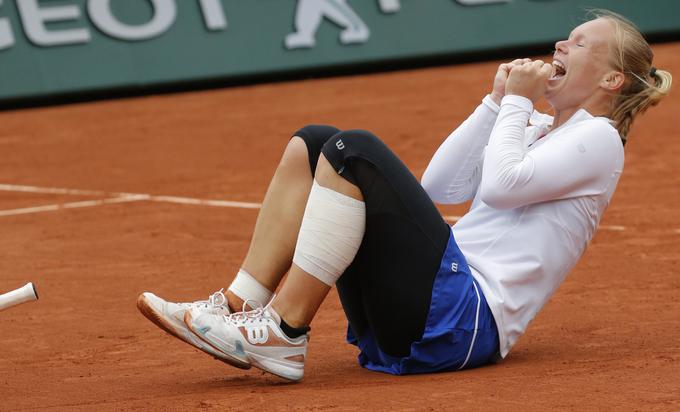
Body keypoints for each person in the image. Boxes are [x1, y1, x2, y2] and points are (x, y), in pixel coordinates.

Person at [137, 10, 672, 382]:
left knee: (356, 149)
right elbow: (440, 188)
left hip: (464, 323)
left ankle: (283, 330)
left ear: (612, 81)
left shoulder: (599, 139)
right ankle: (238, 305)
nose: (560, 45)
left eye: (578, 43)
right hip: (426, 307)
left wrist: (515, 105)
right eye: (566, 36)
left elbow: (503, 187)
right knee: (317, 142)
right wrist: (494, 102)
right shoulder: (534, 126)